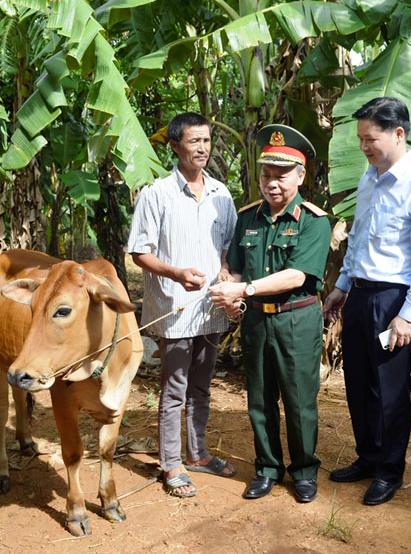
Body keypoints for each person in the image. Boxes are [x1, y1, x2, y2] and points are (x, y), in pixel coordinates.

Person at [322, 97, 411, 506]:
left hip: (394, 300)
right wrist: (342, 285)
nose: (363, 147)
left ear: (398, 134)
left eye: (370, 138)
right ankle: (368, 457)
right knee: (358, 383)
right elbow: (357, 238)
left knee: (391, 391)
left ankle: (390, 471)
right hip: (361, 294)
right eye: (359, 139)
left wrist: (410, 315)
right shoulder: (369, 179)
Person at [209, 125, 331, 503]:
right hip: (257, 320)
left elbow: (297, 274)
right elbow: (235, 265)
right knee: (259, 399)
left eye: (282, 175)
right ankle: (266, 468)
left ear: (300, 175)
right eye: (266, 175)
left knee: (298, 399)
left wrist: (242, 289)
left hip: (296, 318)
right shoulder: (248, 218)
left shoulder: (313, 221)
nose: (272, 183)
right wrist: (227, 285)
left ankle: (305, 470)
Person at [127, 112, 237, 498]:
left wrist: (225, 271)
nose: (202, 148)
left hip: (211, 309)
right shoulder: (157, 194)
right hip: (174, 309)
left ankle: (199, 453)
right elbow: (140, 252)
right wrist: (175, 274)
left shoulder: (222, 195)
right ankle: (171, 463)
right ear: (175, 146)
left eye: (206, 141)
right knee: (174, 388)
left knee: (202, 387)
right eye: (194, 141)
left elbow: (227, 247)